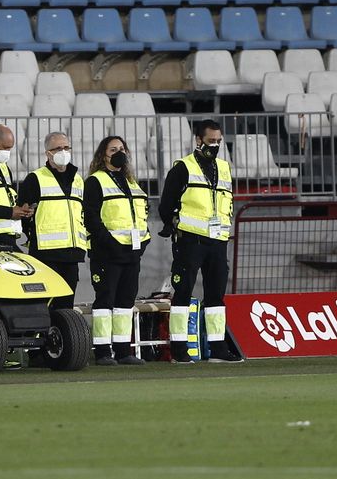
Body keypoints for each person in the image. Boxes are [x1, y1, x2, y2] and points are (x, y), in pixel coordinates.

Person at [158, 118, 242, 362]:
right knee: (183, 292)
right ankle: (179, 348)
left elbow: (228, 202)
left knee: (216, 295)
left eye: (218, 141)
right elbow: (166, 205)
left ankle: (217, 348)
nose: (214, 145)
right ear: (198, 140)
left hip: (217, 241)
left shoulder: (224, 168)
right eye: (210, 141)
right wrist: (175, 225)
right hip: (190, 240)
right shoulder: (183, 167)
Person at [84, 135, 149, 364]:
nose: (119, 152)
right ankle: (102, 351)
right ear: (104, 155)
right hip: (107, 253)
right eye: (113, 149)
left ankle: (123, 351)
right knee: (105, 301)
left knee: (125, 301)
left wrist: (143, 242)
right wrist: (109, 242)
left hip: (131, 253)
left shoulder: (131, 182)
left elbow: (142, 215)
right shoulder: (95, 181)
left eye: (122, 148)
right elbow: (91, 217)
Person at [17, 131, 86, 310]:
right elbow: (23, 215)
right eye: (57, 148)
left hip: (72, 254)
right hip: (46, 255)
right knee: (45, 305)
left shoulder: (78, 180)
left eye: (66, 147)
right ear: (48, 153)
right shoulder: (35, 179)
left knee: (66, 306)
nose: (63, 151)